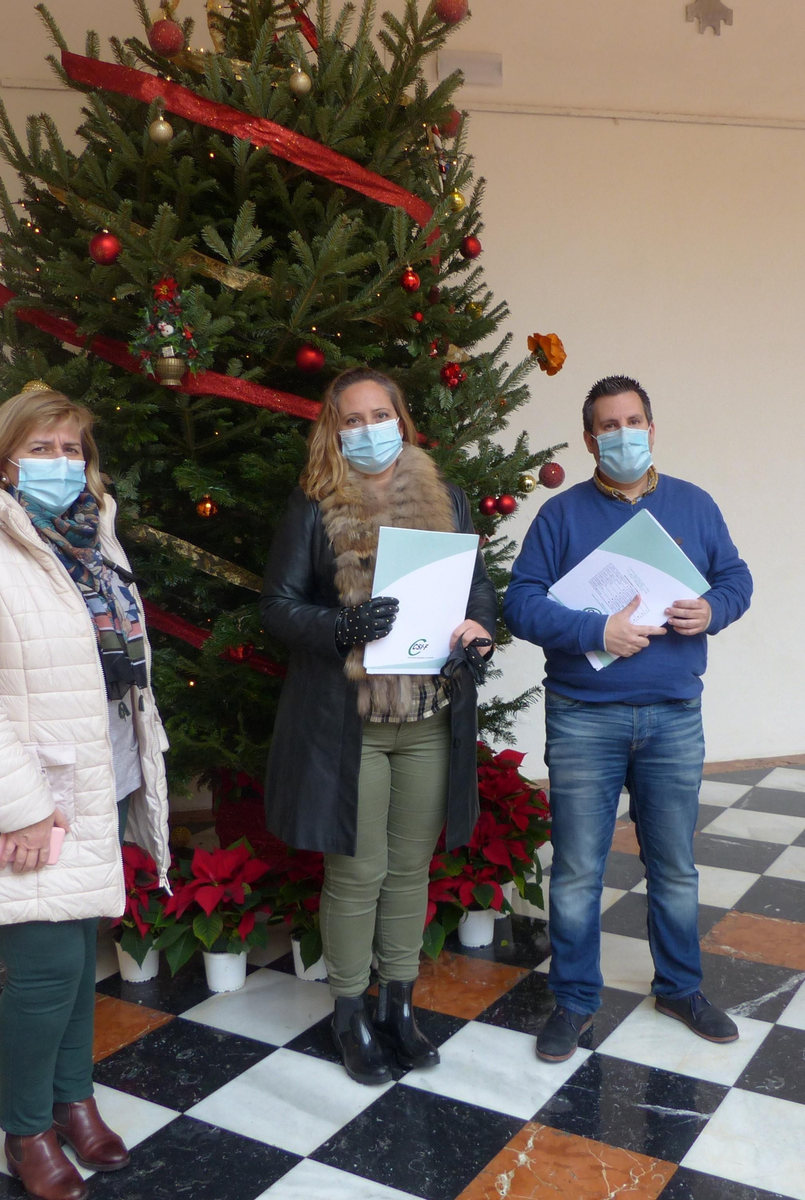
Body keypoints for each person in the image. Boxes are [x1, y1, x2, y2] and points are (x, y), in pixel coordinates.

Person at [0, 385, 172, 1200]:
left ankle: (74, 1100)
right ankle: (27, 1131)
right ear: (2, 458)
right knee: (49, 970)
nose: (62, 464)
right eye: (43, 449)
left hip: (92, 784)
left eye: (74, 451)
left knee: (75, 957)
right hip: (27, 801)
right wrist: (19, 807)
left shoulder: (91, 545)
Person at [504, 375, 754, 1062]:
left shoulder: (694, 506)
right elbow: (519, 603)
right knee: (579, 869)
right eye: (607, 426)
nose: (623, 436)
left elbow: (736, 578)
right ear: (589, 439)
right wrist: (592, 631)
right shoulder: (560, 517)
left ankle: (679, 986)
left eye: (633, 422)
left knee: (675, 865)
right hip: (584, 714)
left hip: (674, 712)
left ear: (652, 428)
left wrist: (715, 610)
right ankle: (576, 1000)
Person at [261, 366, 498, 1085]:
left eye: (379, 414)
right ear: (334, 430)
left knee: (409, 869)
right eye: (352, 419)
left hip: (429, 716)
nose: (368, 430)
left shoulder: (447, 497)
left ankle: (398, 1004)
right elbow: (276, 606)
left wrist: (479, 631)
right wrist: (343, 627)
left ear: (404, 418)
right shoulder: (314, 503)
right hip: (350, 724)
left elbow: (477, 588)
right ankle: (349, 1012)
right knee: (358, 871)